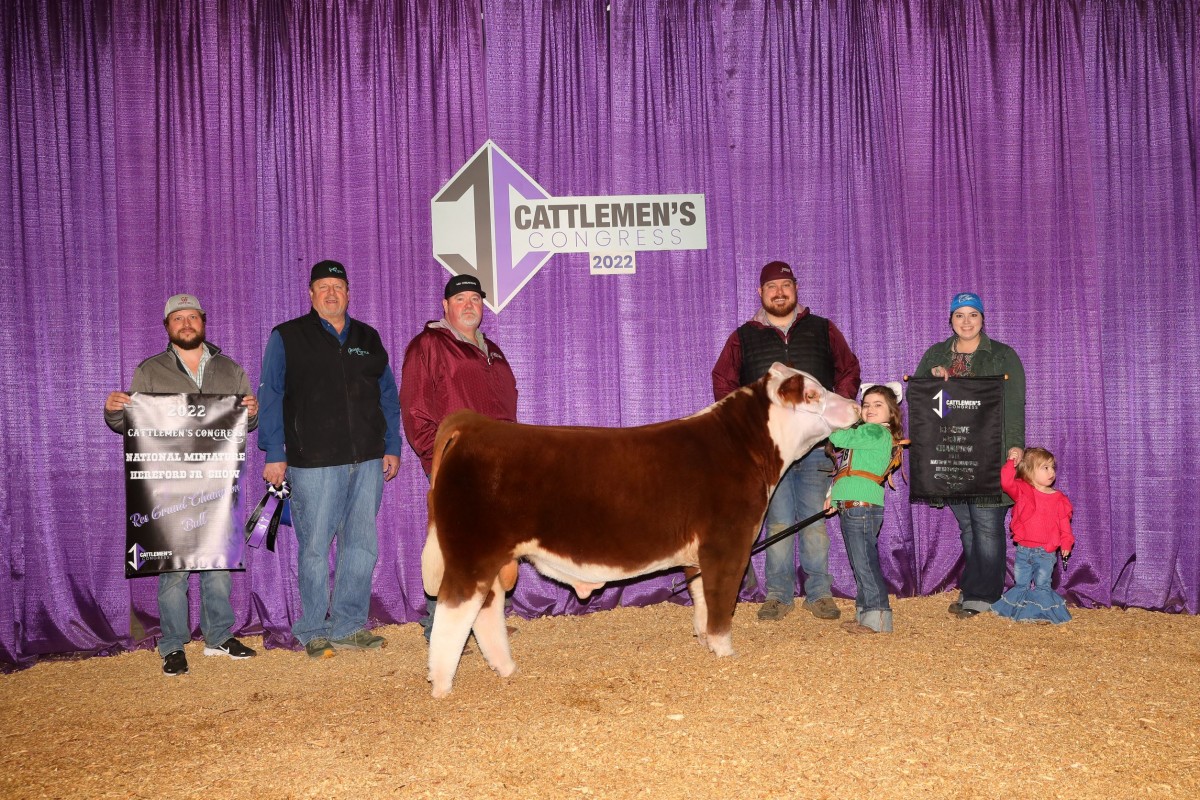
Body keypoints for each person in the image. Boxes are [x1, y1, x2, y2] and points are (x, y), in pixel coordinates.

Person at [104, 293, 259, 675]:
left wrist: (252, 414)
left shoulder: (230, 369)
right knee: (171, 567)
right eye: (178, 318)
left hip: (216, 485)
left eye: (192, 317)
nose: (186, 323)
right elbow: (132, 425)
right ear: (167, 326)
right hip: (168, 487)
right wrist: (112, 412)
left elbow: (243, 426)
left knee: (217, 562)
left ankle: (219, 636)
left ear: (203, 322)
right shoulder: (150, 370)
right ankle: (173, 643)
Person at [258, 260, 402, 659]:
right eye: (323, 286)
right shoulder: (287, 336)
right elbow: (270, 396)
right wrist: (274, 451)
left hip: (368, 461)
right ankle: (312, 629)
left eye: (338, 286)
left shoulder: (368, 338)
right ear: (310, 294)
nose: (331, 293)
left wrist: (392, 446)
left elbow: (388, 396)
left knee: (361, 545)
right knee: (315, 547)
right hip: (313, 463)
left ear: (348, 293)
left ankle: (350, 626)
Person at [712, 260, 861, 621]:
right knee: (777, 521)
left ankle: (819, 592)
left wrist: (832, 422)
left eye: (785, 286)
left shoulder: (823, 329)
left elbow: (849, 370)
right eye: (771, 287)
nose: (779, 293)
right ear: (761, 294)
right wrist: (745, 429)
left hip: (813, 447)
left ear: (796, 289)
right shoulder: (743, 336)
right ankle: (777, 595)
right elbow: (723, 383)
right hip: (768, 453)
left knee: (813, 520)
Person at [400, 273, 518, 640]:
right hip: (457, 461)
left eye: (475, 299)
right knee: (453, 543)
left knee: (493, 543)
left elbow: (508, 409)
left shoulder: (493, 350)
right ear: (446, 306)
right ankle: (441, 625)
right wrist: (436, 457)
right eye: (461, 299)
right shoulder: (429, 344)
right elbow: (416, 408)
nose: (469, 305)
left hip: (497, 460)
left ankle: (487, 619)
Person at [914, 291, 1026, 619]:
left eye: (972, 315)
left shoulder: (1003, 356)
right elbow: (919, 397)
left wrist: (1015, 445)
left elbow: (1014, 402)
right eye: (959, 315)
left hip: (990, 452)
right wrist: (933, 380)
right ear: (950, 320)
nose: (966, 321)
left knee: (987, 523)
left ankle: (984, 594)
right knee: (967, 524)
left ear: (982, 318)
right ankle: (974, 586)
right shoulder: (936, 354)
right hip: (951, 452)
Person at [827, 383, 906, 634]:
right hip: (854, 504)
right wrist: (834, 497)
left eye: (878, 405)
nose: (870, 409)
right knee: (860, 562)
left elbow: (838, 437)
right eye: (866, 404)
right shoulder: (868, 434)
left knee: (864, 563)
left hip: (861, 507)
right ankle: (865, 614)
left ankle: (878, 617)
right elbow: (848, 471)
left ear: (891, 412)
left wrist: (837, 416)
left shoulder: (874, 432)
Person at [992, 447, 1073, 623]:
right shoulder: (1022, 491)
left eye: (1052, 467)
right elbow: (1006, 482)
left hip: (1046, 551)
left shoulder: (1059, 498)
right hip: (1023, 550)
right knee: (1021, 583)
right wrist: (1010, 463)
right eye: (1045, 467)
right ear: (1029, 470)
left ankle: (1041, 614)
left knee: (1043, 585)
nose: (1051, 472)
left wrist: (1066, 542)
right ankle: (1019, 612)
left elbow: (1064, 525)